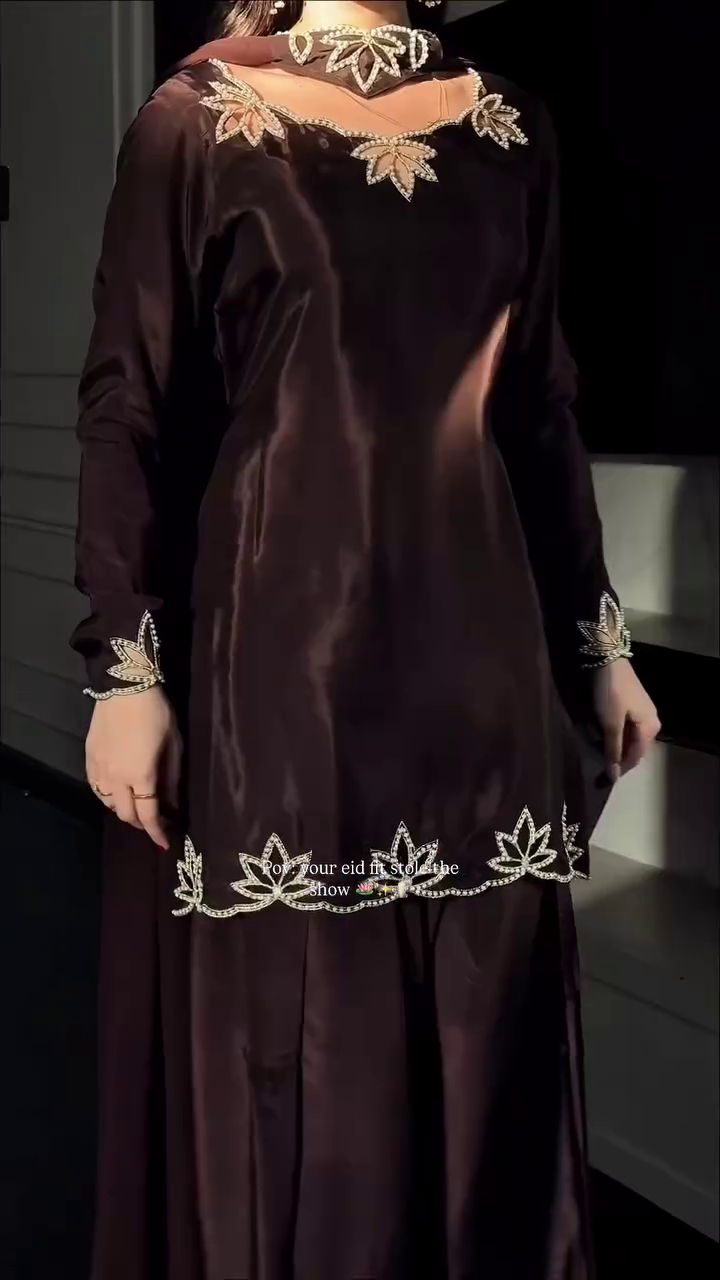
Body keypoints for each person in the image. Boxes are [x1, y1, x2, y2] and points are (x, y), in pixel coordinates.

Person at [70, 2, 661, 1276]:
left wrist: (600, 642)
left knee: (489, 1051)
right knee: (303, 1061)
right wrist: (126, 665)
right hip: (280, 663)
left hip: (482, 657)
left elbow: (540, 407)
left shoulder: (511, 129)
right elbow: (130, 402)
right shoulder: (197, 120)